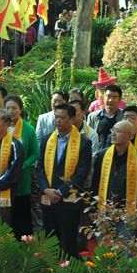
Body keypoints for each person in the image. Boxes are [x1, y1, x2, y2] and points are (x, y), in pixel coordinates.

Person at [36, 104, 92, 258]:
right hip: (48, 197)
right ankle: (50, 270)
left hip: (69, 198)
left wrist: (61, 191)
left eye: (62, 117)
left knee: (68, 240)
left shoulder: (84, 143)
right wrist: (46, 189)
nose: (58, 121)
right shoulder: (47, 139)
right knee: (50, 238)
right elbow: (39, 167)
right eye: (56, 117)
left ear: (72, 119)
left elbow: (81, 173)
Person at [91, 121, 137, 238]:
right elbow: (95, 183)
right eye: (112, 130)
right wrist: (93, 208)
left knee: (126, 251)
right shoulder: (102, 156)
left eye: (118, 131)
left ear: (130, 136)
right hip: (104, 211)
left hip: (128, 213)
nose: (113, 134)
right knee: (103, 250)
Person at [4, 94, 39, 238]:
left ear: (20, 110)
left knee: (21, 215)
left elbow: (35, 153)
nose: (11, 111)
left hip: (21, 178)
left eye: (14, 108)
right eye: (7, 108)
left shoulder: (28, 129)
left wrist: (23, 165)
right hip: (2, 178)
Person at [86, 84, 125, 150]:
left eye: (114, 97)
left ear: (119, 99)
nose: (110, 100)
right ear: (104, 98)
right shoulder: (93, 117)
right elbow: (88, 137)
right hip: (98, 155)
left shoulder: (124, 117)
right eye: (108, 96)